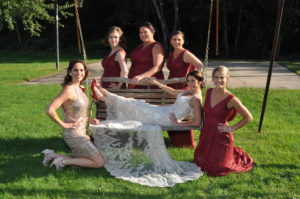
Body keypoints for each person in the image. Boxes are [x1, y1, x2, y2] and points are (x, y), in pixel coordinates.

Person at [89, 70, 204, 187]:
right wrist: (157, 83)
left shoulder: (196, 99)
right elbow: (172, 91)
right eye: (188, 80)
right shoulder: (188, 92)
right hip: (163, 111)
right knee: (137, 105)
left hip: (166, 118)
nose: (189, 83)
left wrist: (177, 124)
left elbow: (197, 122)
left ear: (200, 82)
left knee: (136, 105)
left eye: (193, 81)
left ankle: (102, 94)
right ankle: (102, 95)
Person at [42, 60, 105, 170]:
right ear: (70, 72)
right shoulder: (68, 89)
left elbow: (78, 113)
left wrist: (89, 120)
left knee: (85, 161)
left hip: (82, 132)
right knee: (99, 162)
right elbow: (49, 110)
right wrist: (64, 124)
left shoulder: (80, 88)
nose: (79, 73)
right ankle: (62, 161)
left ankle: (52, 155)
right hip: (74, 135)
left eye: (82, 70)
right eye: (75, 70)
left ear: (85, 72)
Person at [194, 66, 254, 176]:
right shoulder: (209, 92)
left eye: (222, 77)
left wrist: (231, 128)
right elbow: (205, 110)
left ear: (227, 79)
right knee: (199, 161)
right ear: (212, 79)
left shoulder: (231, 99)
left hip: (221, 136)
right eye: (216, 77)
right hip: (206, 134)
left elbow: (248, 117)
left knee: (219, 167)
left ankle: (228, 153)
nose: (218, 80)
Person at [166, 30, 204, 148]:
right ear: (170, 41)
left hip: (183, 87)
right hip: (172, 86)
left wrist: (191, 79)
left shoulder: (185, 53)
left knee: (183, 115)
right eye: (174, 39)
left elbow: (200, 65)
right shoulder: (172, 54)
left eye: (179, 39)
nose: (176, 42)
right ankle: (176, 142)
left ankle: (187, 143)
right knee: (173, 113)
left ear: (183, 41)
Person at [128, 22, 165, 89]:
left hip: (148, 84)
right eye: (140, 32)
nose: (142, 34)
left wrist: (141, 76)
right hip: (135, 83)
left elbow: (157, 67)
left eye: (145, 32)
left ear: (152, 32)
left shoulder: (156, 46)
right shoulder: (139, 47)